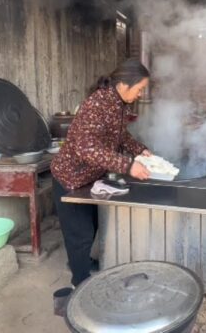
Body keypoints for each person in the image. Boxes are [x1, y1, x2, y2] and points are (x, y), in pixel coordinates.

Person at [51, 58, 152, 287]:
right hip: (71, 177)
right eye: (139, 89)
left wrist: (140, 150)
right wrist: (127, 166)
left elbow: (120, 136)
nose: (140, 95)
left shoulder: (117, 104)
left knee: (93, 224)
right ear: (125, 84)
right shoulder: (97, 104)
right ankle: (81, 284)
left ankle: (82, 262)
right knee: (80, 234)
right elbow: (87, 147)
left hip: (90, 177)